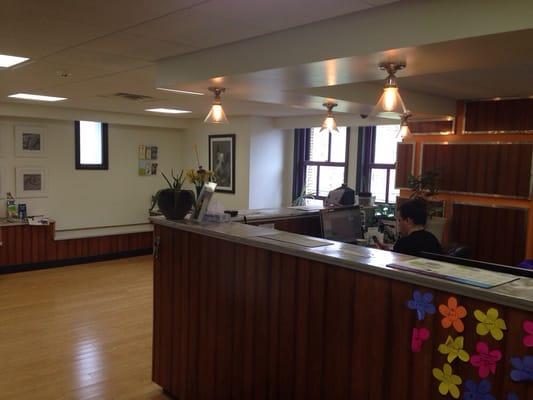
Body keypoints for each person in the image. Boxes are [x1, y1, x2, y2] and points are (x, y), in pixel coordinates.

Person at [376, 198, 442, 257]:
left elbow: (395, 267)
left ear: (408, 220)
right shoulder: (432, 239)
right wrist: (389, 251)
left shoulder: (403, 243)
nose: (399, 224)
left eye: (400, 220)